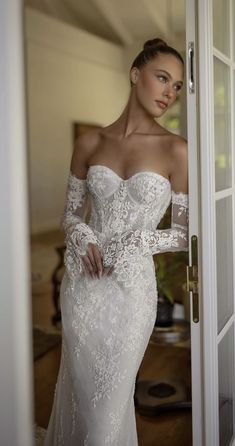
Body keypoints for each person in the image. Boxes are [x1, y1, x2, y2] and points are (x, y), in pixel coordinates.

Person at [43, 37, 189, 446]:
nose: (169, 93)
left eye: (177, 86)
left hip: (131, 292)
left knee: (109, 408)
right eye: (163, 78)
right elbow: (69, 213)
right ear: (135, 74)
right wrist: (80, 231)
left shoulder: (177, 150)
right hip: (83, 290)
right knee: (87, 401)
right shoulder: (89, 143)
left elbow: (182, 232)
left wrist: (137, 241)